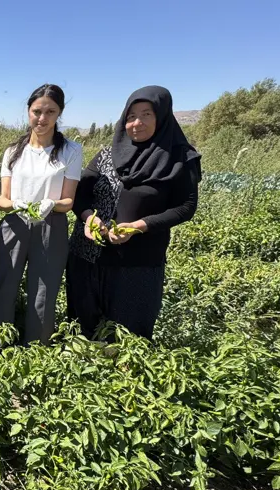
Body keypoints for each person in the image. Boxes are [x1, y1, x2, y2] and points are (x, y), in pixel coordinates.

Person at [66, 85, 201, 340]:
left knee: (128, 334)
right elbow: (80, 193)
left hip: (137, 261)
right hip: (87, 255)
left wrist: (139, 226)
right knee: (83, 327)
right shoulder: (107, 154)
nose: (136, 123)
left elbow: (186, 207)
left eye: (146, 114)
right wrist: (87, 217)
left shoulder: (180, 159)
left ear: (161, 116)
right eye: (130, 116)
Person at [0, 84, 83, 345]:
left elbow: (69, 200)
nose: (42, 118)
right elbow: (2, 200)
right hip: (14, 223)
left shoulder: (70, 151)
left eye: (50, 111)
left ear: (59, 113)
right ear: (28, 111)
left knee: (44, 290)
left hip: (51, 224)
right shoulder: (13, 152)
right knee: (5, 286)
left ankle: (36, 348)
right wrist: (16, 203)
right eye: (37, 111)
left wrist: (50, 204)